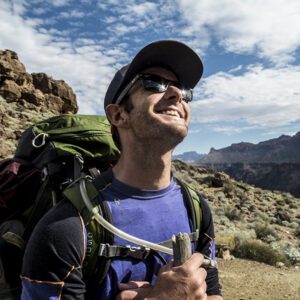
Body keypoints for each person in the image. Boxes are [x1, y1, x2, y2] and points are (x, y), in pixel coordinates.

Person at [21, 40, 223, 299]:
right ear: (118, 115)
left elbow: (213, 291)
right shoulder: (67, 228)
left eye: (183, 89)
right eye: (153, 83)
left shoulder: (195, 208)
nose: (177, 94)